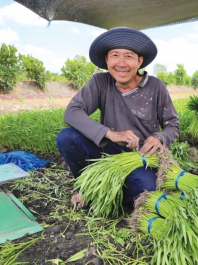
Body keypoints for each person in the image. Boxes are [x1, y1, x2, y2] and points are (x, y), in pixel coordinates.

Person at [56, 27, 180, 207]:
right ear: (106, 60)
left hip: (139, 157)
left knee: (147, 186)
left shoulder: (155, 86)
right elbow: (72, 112)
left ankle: (104, 192)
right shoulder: (100, 82)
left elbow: (173, 125)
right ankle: (87, 187)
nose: (121, 63)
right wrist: (110, 134)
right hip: (106, 151)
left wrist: (158, 137)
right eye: (114, 55)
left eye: (129, 56)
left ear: (140, 61)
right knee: (67, 138)